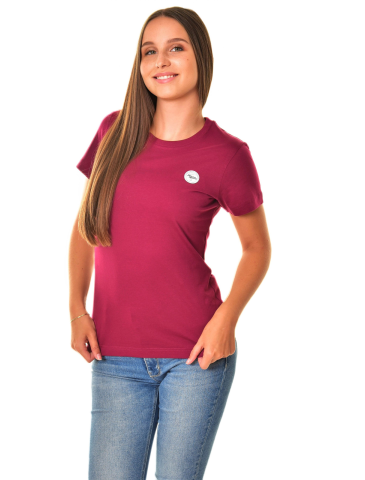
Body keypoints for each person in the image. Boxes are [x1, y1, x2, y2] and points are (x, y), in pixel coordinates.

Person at [68, 7, 272, 480]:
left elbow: (257, 248)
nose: (161, 60)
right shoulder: (114, 132)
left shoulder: (227, 155)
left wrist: (225, 321)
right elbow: (84, 228)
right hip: (114, 355)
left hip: (196, 355)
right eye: (149, 51)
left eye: (175, 48)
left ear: (200, 56)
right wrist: (77, 309)